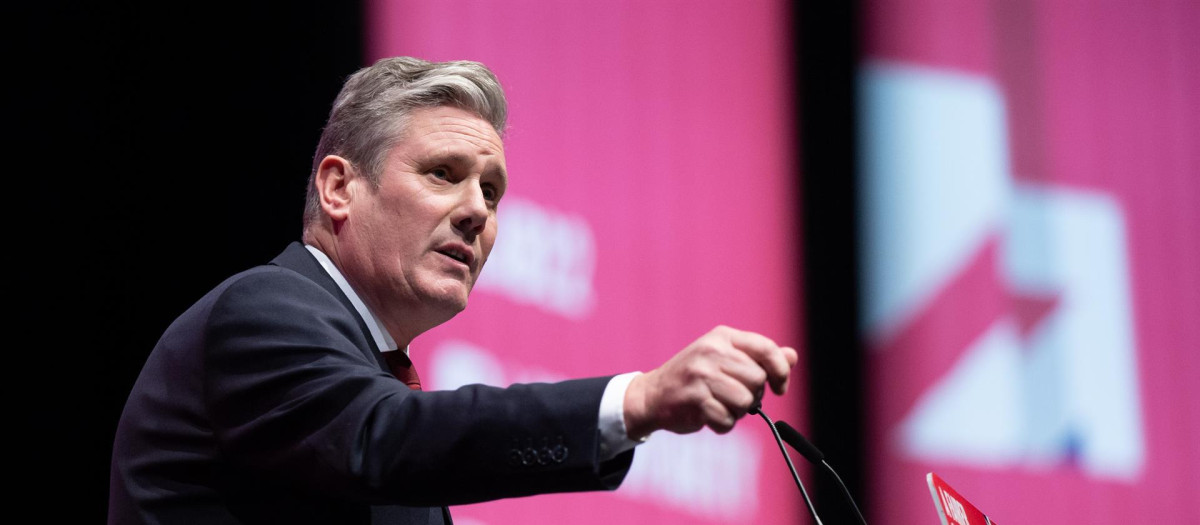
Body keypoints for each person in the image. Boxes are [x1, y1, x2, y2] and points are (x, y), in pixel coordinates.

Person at [108, 56, 798, 525]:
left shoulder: (377, 384)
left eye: (491, 191)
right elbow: (385, 439)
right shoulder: (263, 311)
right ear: (340, 187)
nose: (477, 211)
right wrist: (637, 401)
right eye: (443, 173)